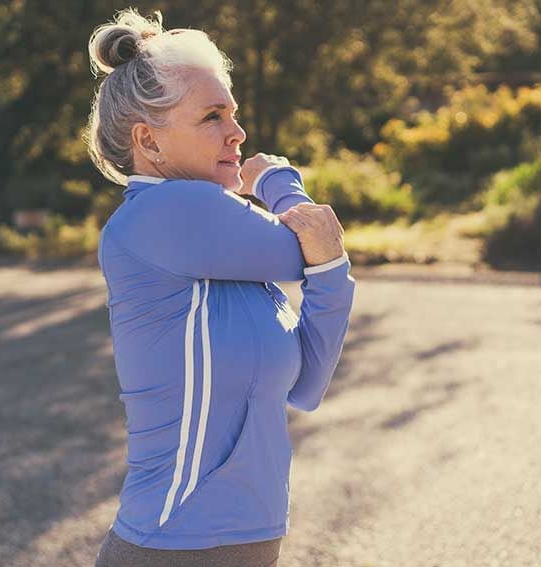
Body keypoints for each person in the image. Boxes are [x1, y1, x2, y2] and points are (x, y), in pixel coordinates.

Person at [87, 8, 356, 566]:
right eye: (212, 116)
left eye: (233, 114)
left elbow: (306, 383)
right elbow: (308, 243)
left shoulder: (233, 256)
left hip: (250, 539)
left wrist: (330, 270)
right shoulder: (162, 211)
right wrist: (279, 182)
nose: (237, 132)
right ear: (149, 141)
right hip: (174, 544)